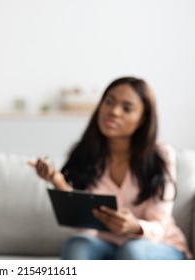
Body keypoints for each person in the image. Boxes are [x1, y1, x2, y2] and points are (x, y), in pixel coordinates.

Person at [29, 77, 192, 260]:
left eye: (127, 108)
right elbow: (82, 224)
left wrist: (133, 226)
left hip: (158, 246)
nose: (114, 112)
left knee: (132, 251)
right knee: (77, 244)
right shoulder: (85, 153)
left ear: (142, 119)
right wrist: (58, 182)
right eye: (109, 102)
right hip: (108, 245)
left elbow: (159, 226)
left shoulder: (160, 155)